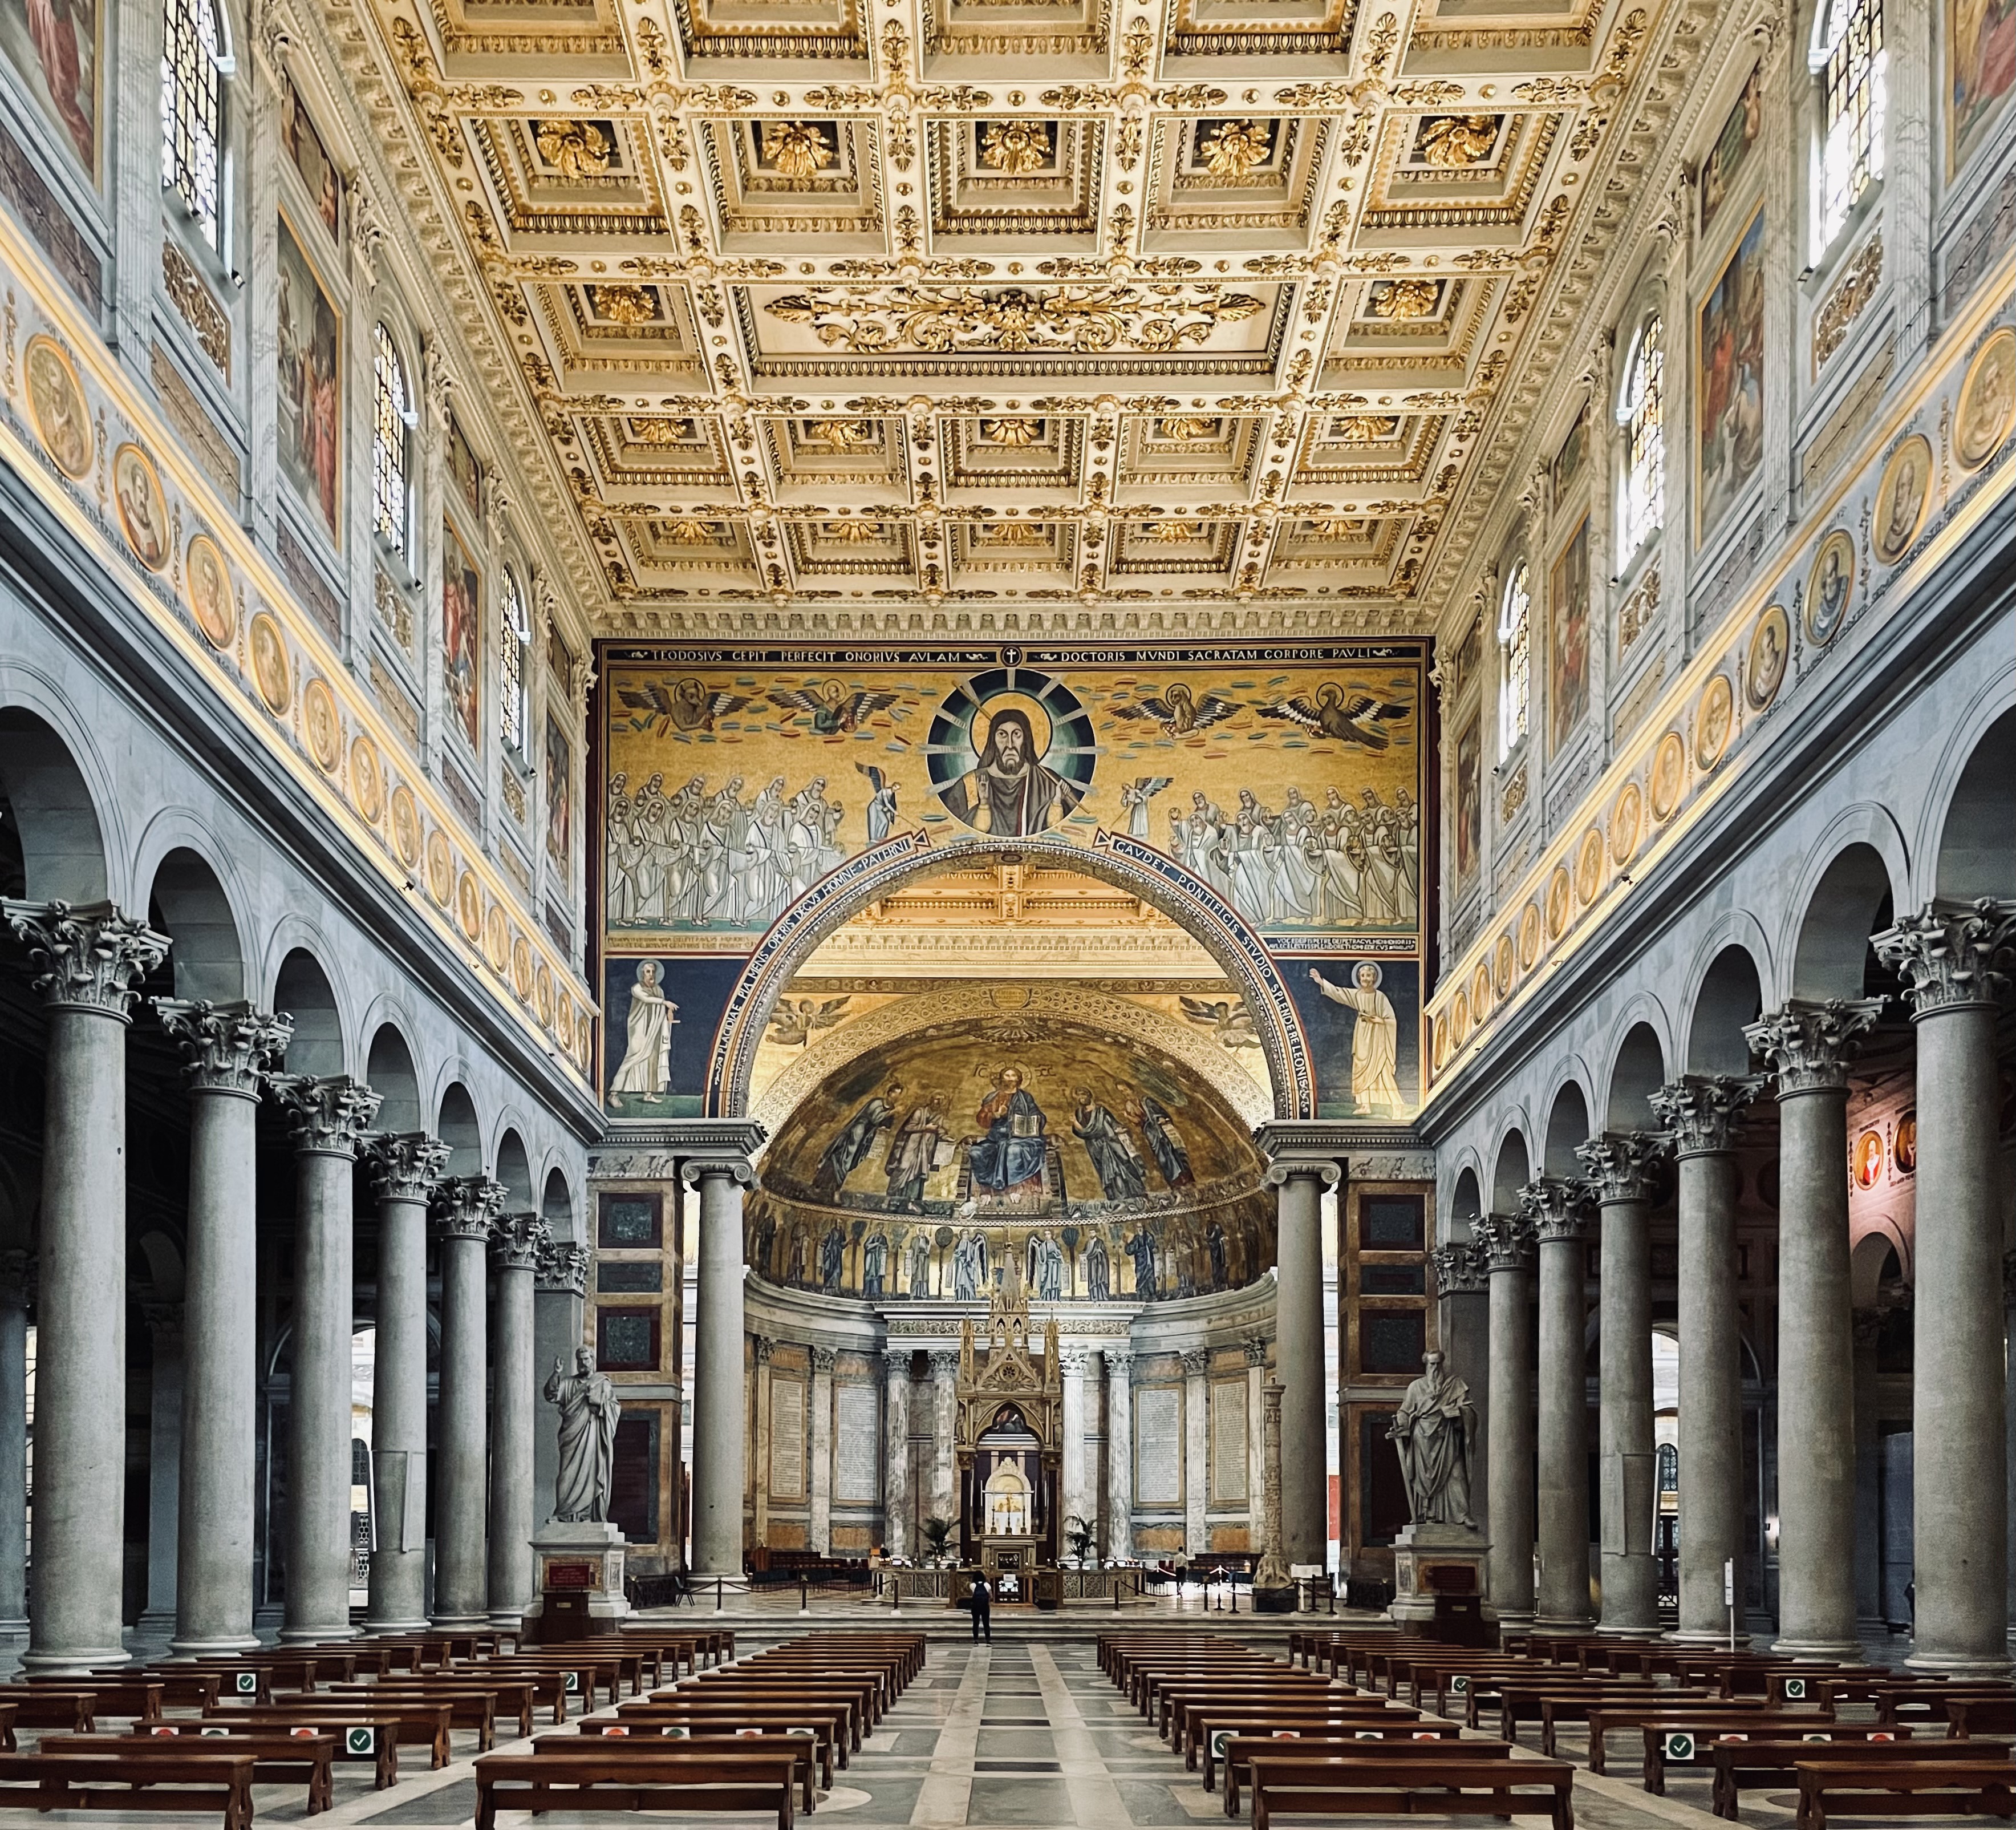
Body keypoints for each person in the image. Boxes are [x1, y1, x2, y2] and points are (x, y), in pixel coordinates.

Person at [943, 707, 1084, 835]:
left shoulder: (1049, 781)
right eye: (1002, 735)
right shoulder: (971, 783)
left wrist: (1057, 801)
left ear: (1026, 740)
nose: (1010, 745)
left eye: (1017, 734)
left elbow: (1068, 827)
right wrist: (983, 804)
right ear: (993, 741)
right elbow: (953, 831)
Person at [1310, 962, 1401, 1115]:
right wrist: (1321, 982)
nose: (1365, 979)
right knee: (1360, 1069)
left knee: (1383, 1071)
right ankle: (1365, 1105)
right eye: (1363, 976)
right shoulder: (1357, 995)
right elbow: (1340, 994)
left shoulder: (1380, 997)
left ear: (1374, 978)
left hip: (1378, 1039)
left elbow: (1391, 1020)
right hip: (1361, 1038)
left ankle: (1397, 1105)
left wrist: (1376, 1020)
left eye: (1369, 976)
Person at [969, 1572, 992, 1642]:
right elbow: (991, 1596)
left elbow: (970, 1595)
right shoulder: (987, 1585)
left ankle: (976, 1640)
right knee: (986, 1623)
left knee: (976, 1623)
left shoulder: (972, 1585)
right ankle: (988, 1640)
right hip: (985, 1606)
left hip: (976, 1606)